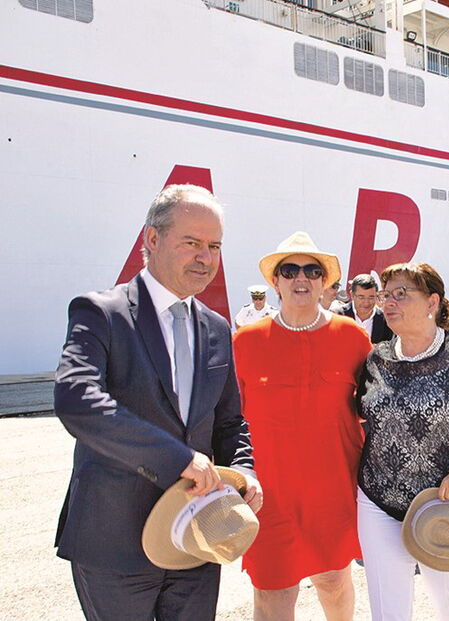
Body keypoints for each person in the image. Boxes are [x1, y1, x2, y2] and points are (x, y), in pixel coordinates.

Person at [53, 184, 262, 620]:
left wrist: (244, 472)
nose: (205, 257)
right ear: (152, 238)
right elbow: (77, 399)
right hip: (114, 540)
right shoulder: (102, 312)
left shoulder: (216, 328)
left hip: (197, 536)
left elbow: (229, 423)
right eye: (192, 243)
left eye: (214, 246)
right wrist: (178, 459)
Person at [355, 262, 449, 621]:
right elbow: (360, 416)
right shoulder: (376, 358)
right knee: (388, 610)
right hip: (379, 499)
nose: (389, 303)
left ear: (432, 302)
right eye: (386, 295)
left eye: (401, 294)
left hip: (444, 501)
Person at [233, 232, 371, 621]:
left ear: (324, 282)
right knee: (272, 592)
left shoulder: (352, 337)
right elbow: (229, 420)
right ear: (275, 281)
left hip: (333, 491)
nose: (301, 278)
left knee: (333, 581)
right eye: (290, 270)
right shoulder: (245, 342)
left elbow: (377, 410)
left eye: (312, 271)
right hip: (267, 495)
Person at [338, 273, 393, 343]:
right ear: (352, 295)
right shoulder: (338, 315)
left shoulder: (386, 321)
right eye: (361, 297)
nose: (366, 302)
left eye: (371, 297)